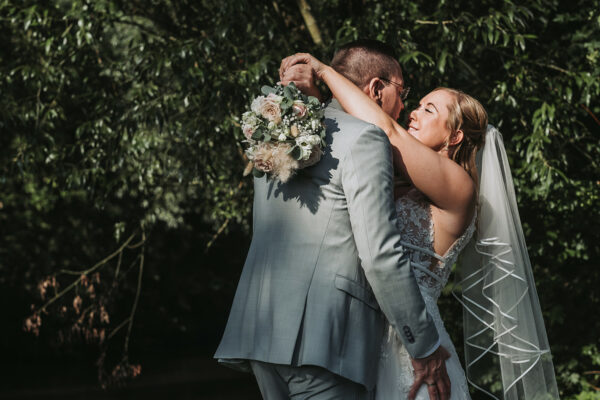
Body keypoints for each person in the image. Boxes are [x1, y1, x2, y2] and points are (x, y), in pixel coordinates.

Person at [280, 49, 560, 400]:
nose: (414, 111)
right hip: (357, 334)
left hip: (412, 341)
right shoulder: (398, 180)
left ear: (454, 137)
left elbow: (387, 130)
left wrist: (323, 70)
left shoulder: (459, 186)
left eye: (429, 109)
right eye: (419, 104)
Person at [215, 40, 452, 400]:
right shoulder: (365, 139)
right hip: (325, 340)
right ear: (376, 88)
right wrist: (424, 346)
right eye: (402, 92)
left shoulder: (275, 130)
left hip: (260, 331)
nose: (403, 107)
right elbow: (380, 255)